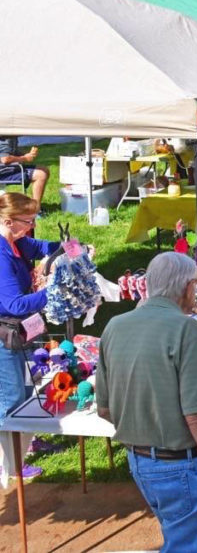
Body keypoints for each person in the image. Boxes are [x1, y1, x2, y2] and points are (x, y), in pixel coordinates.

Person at [95, 252, 197, 551]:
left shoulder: (115, 325)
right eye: (196, 284)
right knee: (195, 544)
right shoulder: (186, 329)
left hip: (139, 460)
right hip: (179, 465)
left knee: (191, 538)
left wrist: (146, 427)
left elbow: (105, 409)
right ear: (187, 287)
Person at [0, 193, 60, 481]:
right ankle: (9, 463)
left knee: (27, 385)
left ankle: (24, 443)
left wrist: (72, 249)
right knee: (11, 397)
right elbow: (15, 304)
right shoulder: (1, 255)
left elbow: (43, 247)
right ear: (8, 221)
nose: (33, 226)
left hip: (21, 332)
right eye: (28, 221)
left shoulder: (16, 241)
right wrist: (54, 291)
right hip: (5, 336)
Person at [0, 136, 49, 205]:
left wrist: (27, 155)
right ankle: (35, 209)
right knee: (41, 174)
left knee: (44, 169)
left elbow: (10, 153)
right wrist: (24, 158)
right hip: (4, 172)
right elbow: (5, 159)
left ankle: (35, 206)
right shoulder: (4, 137)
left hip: (8, 169)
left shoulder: (11, 136)